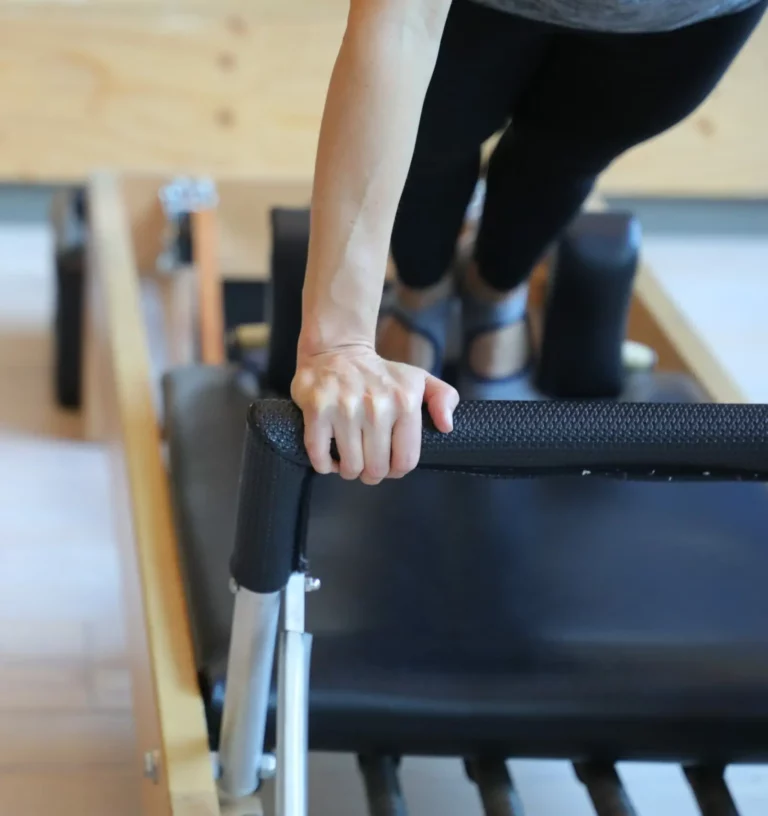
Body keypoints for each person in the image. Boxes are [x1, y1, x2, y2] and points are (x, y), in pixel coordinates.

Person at [290, 0, 766, 485]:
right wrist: (340, 344)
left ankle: (495, 297)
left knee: (558, 159)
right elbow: (401, 22)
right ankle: (422, 294)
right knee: (430, 149)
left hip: (680, 19)